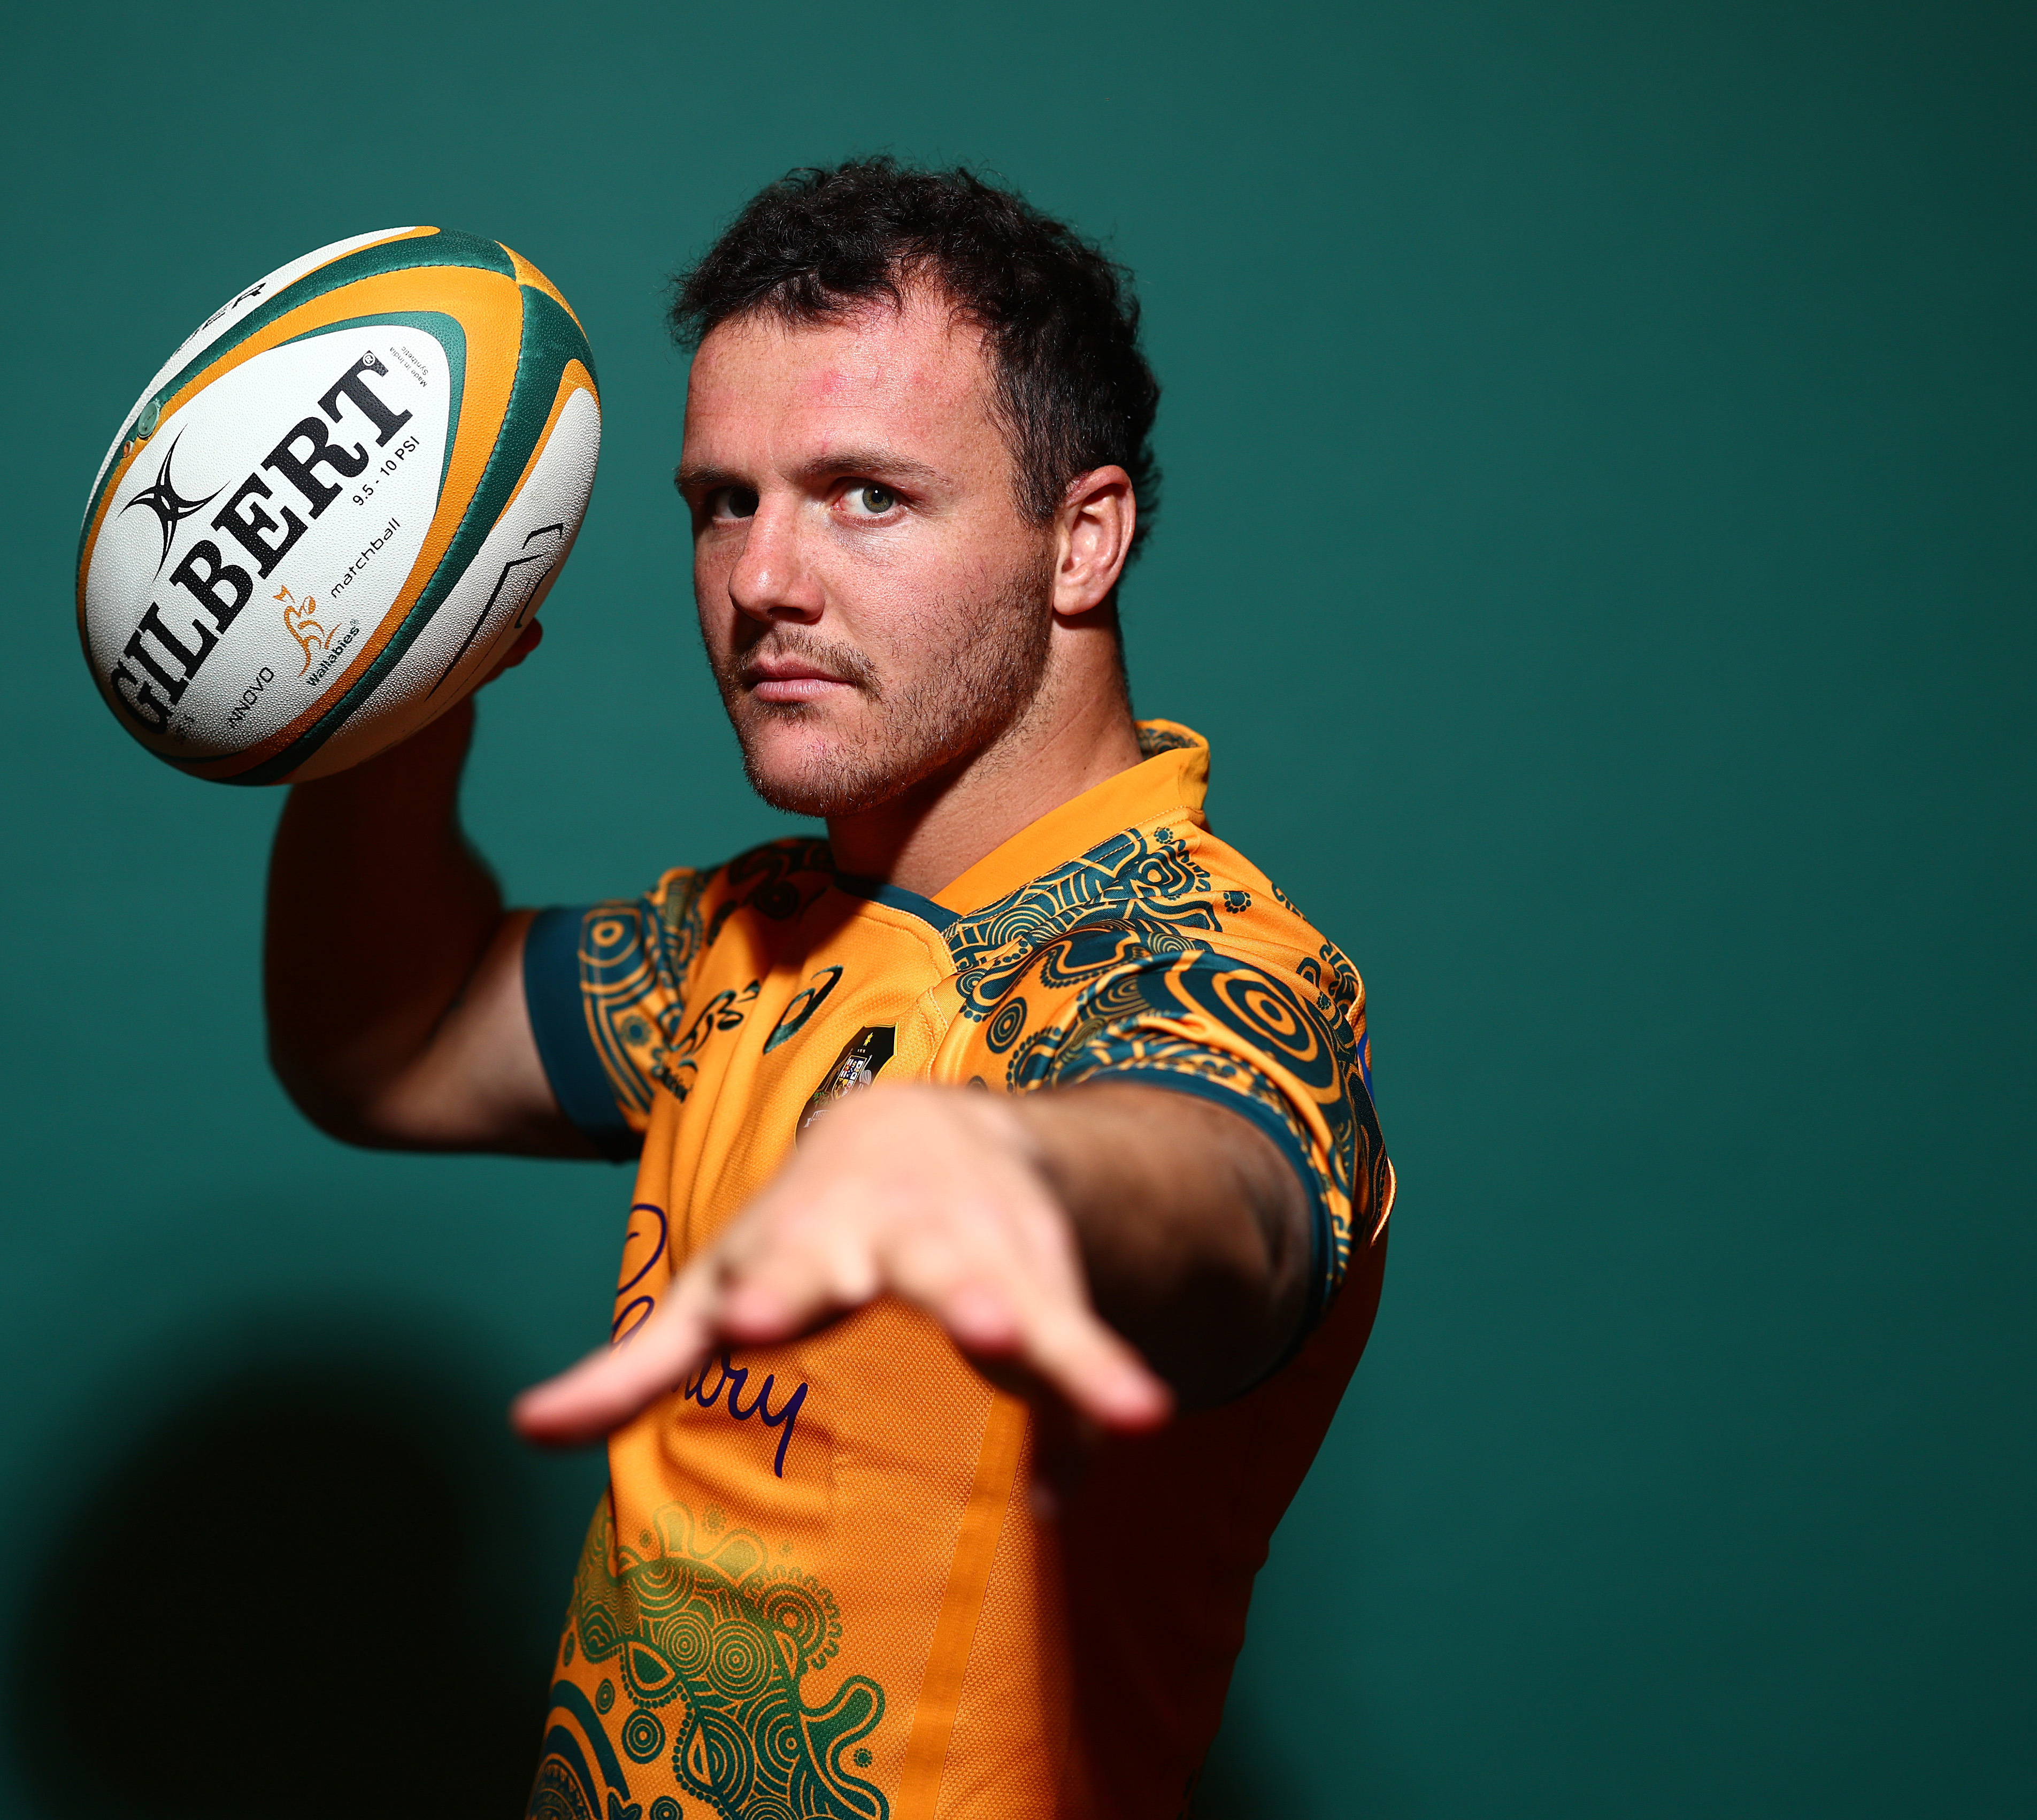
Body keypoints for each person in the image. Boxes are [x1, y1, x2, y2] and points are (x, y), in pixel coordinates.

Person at [264, 159, 1394, 1820]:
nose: (761, 579)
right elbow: (393, 1044)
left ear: (1083, 537)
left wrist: (1010, 1168)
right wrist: (394, 678)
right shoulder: (758, 933)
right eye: (722, 499)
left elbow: (1230, 1198)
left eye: (865, 493)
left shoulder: (1192, 964)